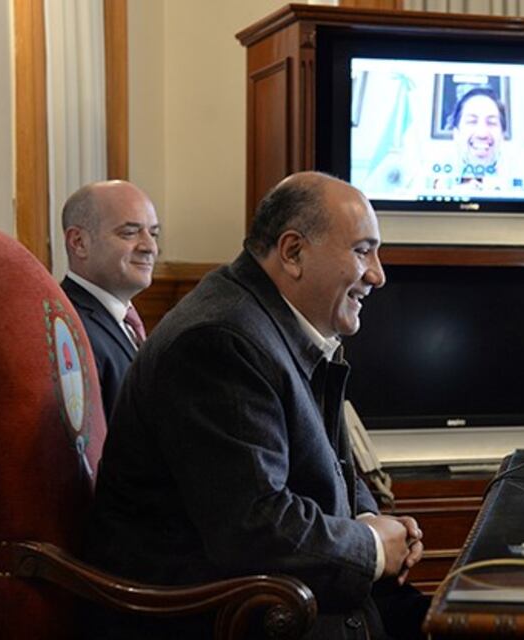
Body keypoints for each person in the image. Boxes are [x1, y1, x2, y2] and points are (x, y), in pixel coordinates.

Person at [84, 172, 429, 639]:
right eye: (362, 250)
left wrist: (370, 519)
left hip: (286, 596)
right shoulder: (219, 341)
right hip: (225, 616)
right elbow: (255, 529)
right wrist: (371, 547)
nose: (377, 274)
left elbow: (329, 463)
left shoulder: (284, 325)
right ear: (293, 252)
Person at [61, 180, 159, 419]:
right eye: (129, 233)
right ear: (79, 242)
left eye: (154, 233)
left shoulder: (122, 320)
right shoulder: (71, 327)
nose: (150, 247)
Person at [429, 86, 524, 195]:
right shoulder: (433, 171)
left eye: (491, 122)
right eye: (472, 121)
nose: (482, 133)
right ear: (456, 133)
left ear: (502, 134)